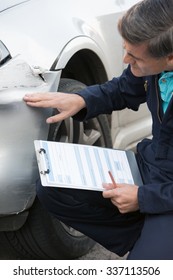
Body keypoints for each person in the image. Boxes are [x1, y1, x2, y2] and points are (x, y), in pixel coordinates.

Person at [23, 0, 173, 259]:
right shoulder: (156, 59)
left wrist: (144, 198)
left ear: (170, 58)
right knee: (53, 188)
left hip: (166, 190)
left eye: (135, 58)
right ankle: (149, 237)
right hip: (153, 168)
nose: (126, 60)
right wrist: (81, 100)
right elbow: (124, 88)